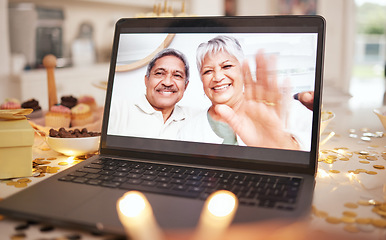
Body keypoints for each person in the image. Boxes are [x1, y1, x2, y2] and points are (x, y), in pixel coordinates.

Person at [179, 36, 312, 150]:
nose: (218, 77)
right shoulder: (188, 132)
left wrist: (284, 144)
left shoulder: (287, 110)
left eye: (227, 66)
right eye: (208, 71)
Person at [108, 48, 190, 140]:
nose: (167, 82)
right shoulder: (116, 109)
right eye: (159, 73)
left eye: (177, 75)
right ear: (146, 80)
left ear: (185, 86)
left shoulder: (196, 119)